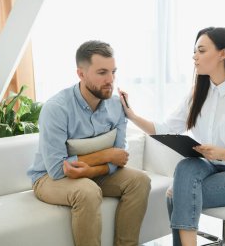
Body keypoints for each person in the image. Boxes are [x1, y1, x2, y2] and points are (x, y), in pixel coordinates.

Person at [118, 27, 225, 246]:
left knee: (177, 195)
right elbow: (165, 127)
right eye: (194, 51)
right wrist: (131, 115)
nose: (194, 56)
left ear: (222, 53)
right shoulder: (197, 93)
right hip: (210, 167)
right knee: (186, 167)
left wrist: (220, 153)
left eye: (201, 50)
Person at [27, 40, 151, 246]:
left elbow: (120, 155)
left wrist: (92, 170)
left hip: (92, 173)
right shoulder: (56, 108)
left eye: (113, 72)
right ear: (81, 74)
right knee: (87, 191)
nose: (110, 79)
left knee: (140, 181)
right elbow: (58, 170)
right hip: (48, 178)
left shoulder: (116, 105)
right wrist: (106, 155)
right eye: (102, 72)